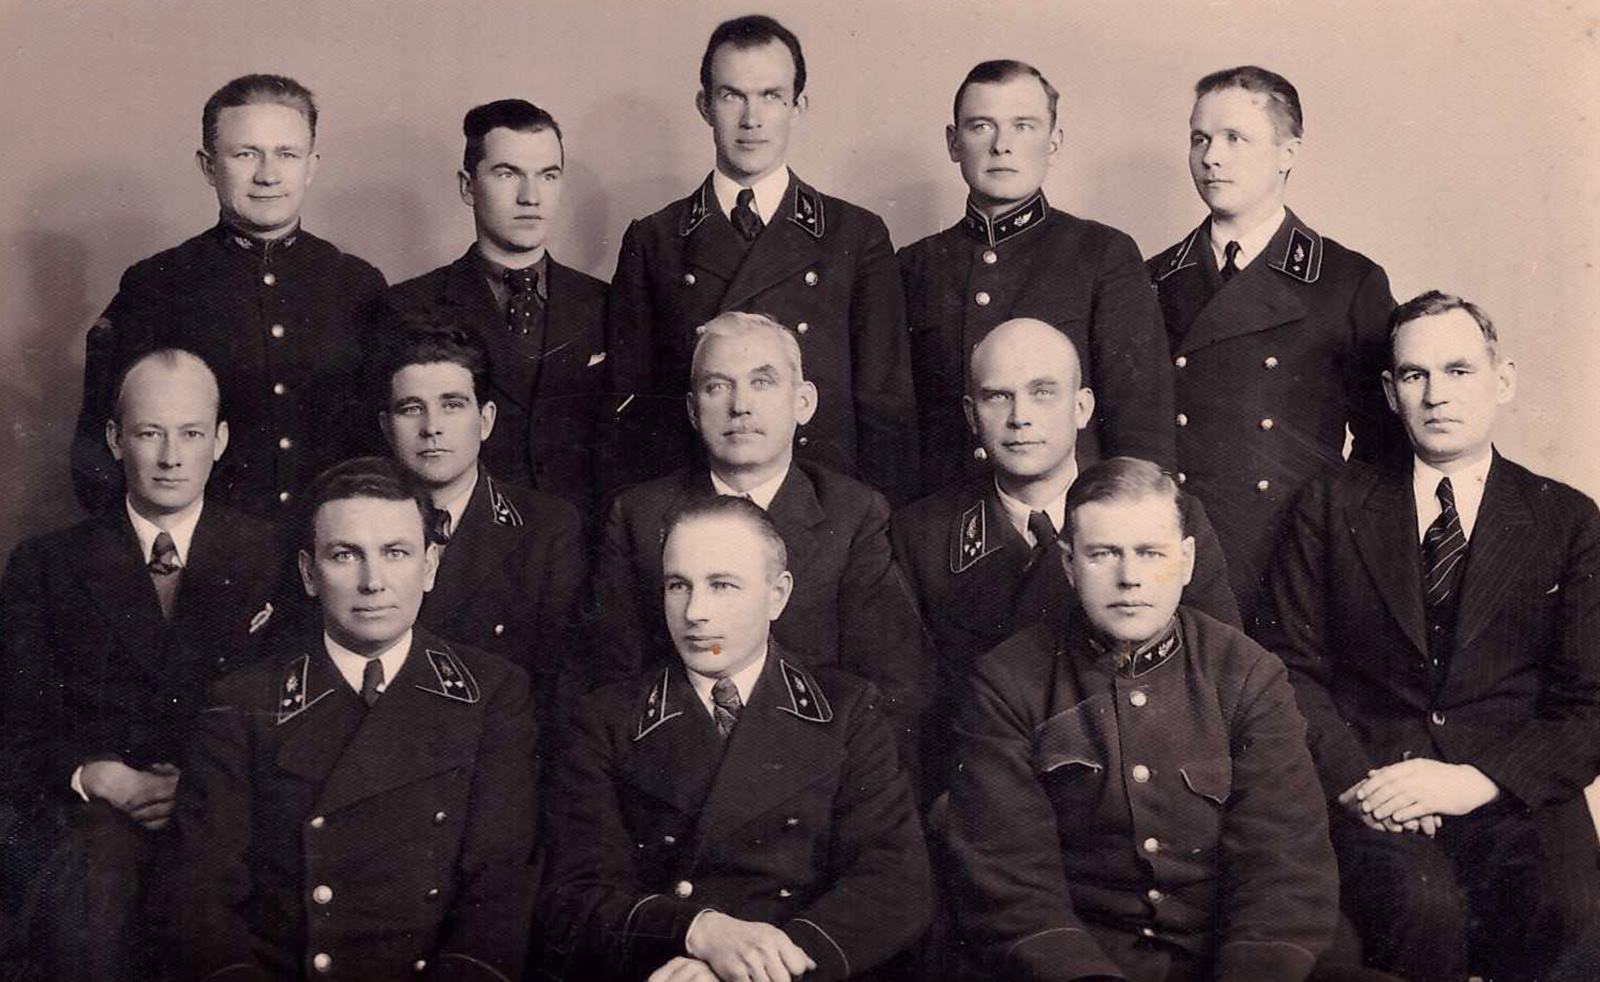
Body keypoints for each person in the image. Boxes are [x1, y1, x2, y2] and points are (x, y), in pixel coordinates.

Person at [1263, 291, 1600, 982]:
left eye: (1459, 370)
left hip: (1512, 788)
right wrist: (1358, 785)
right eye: (1415, 375)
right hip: (1377, 783)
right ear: (1391, 393)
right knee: (1419, 909)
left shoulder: (1567, 520)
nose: (1437, 394)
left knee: (1572, 909)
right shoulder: (1330, 505)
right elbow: (1289, 669)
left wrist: (1478, 781)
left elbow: (1591, 705)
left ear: (1502, 380)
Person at [947, 457, 1361, 982]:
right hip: (1088, 960)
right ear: (1069, 565)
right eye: (1104, 554)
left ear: (1186, 562)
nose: (1130, 578)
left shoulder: (1248, 674)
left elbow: (1283, 867)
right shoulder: (1009, 682)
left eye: (1150, 553)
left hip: (1236, 955)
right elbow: (1014, 888)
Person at [153, 456, 538, 982]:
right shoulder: (242, 703)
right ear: (309, 573)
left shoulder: (493, 693)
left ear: (430, 566)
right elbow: (200, 901)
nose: (373, 582)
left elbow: (500, 893)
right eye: (345, 555)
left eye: (395, 553)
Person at [540, 495, 931, 982]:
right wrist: (699, 931)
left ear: (777, 595)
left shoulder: (846, 709)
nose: (695, 612)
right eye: (678, 585)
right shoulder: (606, 718)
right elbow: (576, 895)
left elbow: (895, 881)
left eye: (722, 585)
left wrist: (753, 965)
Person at [0, 349, 281, 982]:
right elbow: (16, 729)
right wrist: (98, 776)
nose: (171, 456)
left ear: (220, 441)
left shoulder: (272, 554)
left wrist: (203, 785)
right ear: (114, 439)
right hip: (96, 826)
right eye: (150, 433)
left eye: (191, 434)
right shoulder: (46, 565)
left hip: (234, 812)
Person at [891, 318, 1236, 801]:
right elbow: (913, 709)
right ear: (971, 414)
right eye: (998, 397)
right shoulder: (921, 534)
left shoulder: (1166, 516)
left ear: (1082, 407)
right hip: (987, 792)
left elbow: (1219, 675)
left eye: (1043, 393)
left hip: (1134, 792)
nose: (1020, 417)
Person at [603, 14, 916, 505]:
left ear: (798, 106)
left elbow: (885, 411)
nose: (752, 119)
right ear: (705, 106)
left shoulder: (855, 235)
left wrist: (873, 526)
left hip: (821, 508)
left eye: (771, 96)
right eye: (733, 96)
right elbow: (631, 415)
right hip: (695, 505)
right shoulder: (655, 239)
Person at [593, 312, 924, 755]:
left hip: (812, 766)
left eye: (762, 382)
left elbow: (892, 683)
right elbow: (608, 681)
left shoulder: (853, 514)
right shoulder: (640, 515)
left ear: (803, 402)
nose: (740, 406)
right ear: (692, 410)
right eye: (717, 386)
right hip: (675, 763)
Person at [1146, 66, 1397, 631]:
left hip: (1295, 558)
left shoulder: (1347, 280)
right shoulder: (1152, 279)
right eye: (1200, 139)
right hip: (1182, 557)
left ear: (1288, 152)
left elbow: (1381, 451)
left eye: (1235, 138)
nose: (1212, 157)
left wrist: (1334, 540)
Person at [72, 73, 387, 518]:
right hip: (209, 549)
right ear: (208, 166)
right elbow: (99, 452)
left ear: (311, 166)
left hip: (337, 541)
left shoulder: (357, 284)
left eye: (287, 154)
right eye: (245, 154)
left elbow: (388, 439)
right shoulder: (156, 284)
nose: (268, 175)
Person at [899, 60, 1175, 495]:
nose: (1002, 146)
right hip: (947, 519)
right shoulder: (914, 266)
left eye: (1023, 126)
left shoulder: (1102, 253)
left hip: (1072, 515)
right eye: (981, 126)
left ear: (1054, 141)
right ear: (953, 142)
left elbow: (1140, 423)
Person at [381, 99, 607, 514]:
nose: (531, 197)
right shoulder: (407, 306)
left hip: (583, 534)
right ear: (468, 186)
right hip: (465, 535)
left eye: (548, 176)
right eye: (508, 174)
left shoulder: (606, 303)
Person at [377, 322, 586, 732]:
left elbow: (560, 690)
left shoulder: (547, 528)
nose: (431, 427)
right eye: (412, 408)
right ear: (387, 427)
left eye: (452, 405)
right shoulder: (351, 525)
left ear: (486, 420)